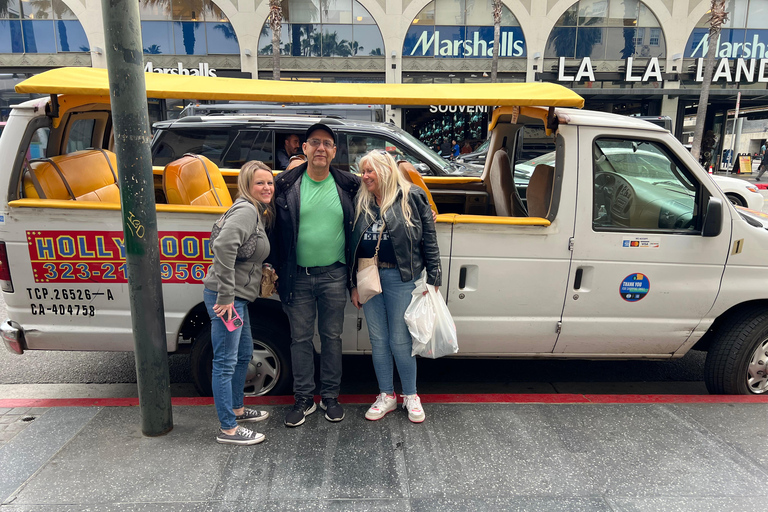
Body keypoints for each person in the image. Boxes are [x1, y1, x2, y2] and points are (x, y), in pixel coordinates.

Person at [273, 123, 360, 427]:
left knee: (332, 338)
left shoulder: (350, 185)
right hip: (296, 277)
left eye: (327, 143)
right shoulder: (284, 185)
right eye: (314, 142)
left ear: (335, 151)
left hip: (334, 276)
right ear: (304, 149)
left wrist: (421, 205)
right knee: (299, 339)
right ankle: (304, 399)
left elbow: (385, 190)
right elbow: (265, 219)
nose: (321, 148)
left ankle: (331, 397)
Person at [349, 150, 441, 423]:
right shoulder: (361, 199)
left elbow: (429, 239)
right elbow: (351, 244)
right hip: (368, 276)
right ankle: (386, 395)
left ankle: (411, 395)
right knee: (378, 341)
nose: (364, 176)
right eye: (362, 171)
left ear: (385, 171)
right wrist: (352, 284)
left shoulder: (411, 196)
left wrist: (434, 278)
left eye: (369, 171)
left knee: (400, 341)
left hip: (402, 277)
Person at [203, 161, 275, 445]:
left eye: (269, 182)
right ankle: (228, 429)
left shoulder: (254, 211)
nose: (267, 187)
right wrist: (226, 295)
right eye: (260, 183)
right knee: (224, 362)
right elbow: (222, 246)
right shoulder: (246, 210)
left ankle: (237, 409)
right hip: (227, 300)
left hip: (237, 299)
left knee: (243, 354)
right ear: (247, 185)